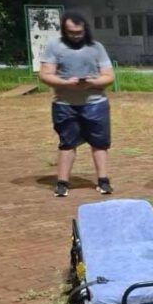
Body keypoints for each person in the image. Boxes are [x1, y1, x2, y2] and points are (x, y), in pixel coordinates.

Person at [39, 12, 115, 197]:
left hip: (95, 103)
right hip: (64, 104)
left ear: (85, 30)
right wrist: (65, 83)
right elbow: (45, 74)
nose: (75, 36)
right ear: (64, 30)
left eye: (78, 32)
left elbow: (109, 76)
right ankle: (62, 183)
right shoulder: (53, 47)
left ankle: (103, 181)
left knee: (100, 143)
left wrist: (91, 83)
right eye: (71, 32)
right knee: (67, 143)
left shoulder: (97, 48)